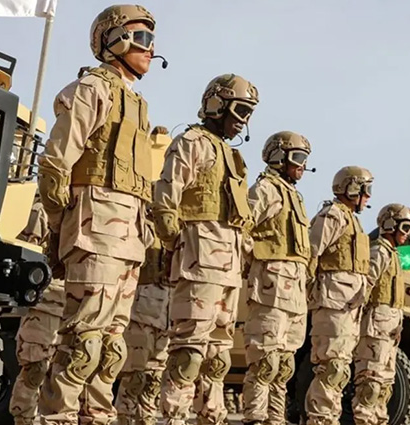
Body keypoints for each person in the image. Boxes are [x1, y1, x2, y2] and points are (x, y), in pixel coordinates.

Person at [35, 5, 159, 425]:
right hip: (96, 233)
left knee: (110, 350)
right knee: (82, 345)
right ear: (113, 40)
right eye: (142, 38)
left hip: (127, 241)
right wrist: (62, 228)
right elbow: (56, 166)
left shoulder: (137, 103)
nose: (151, 48)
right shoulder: (92, 89)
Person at [153, 74, 259, 425]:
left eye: (249, 113)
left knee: (217, 359)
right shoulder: (191, 142)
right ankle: (173, 418)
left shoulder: (233, 156)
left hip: (228, 268)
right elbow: (166, 203)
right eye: (240, 109)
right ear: (217, 104)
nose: (244, 119)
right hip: (199, 263)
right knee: (188, 356)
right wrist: (179, 247)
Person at [242, 131, 312, 425]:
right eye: (297, 158)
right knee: (264, 362)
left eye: (305, 160)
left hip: (294, 295)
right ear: (278, 157)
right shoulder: (266, 190)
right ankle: (256, 417)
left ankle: (274, 418)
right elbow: (241, 228)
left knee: (283, 366)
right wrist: (256, 261)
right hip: (270, 290)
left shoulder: (294, 196)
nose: (302, 166)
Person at [306, 166, 374, 425]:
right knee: (331, 369)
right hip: (332, 305)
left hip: (348, 308)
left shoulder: (352, 220)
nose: (368, 196)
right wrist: (308, 294)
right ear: (352, 188)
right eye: (366, 189)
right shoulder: (333, 216)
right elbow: (311, 253)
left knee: (340, 370)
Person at [114, 126, 174, 425]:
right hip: (142, 306)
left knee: (153, 379)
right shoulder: (140, 223)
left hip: (166, 309)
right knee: (134, 376)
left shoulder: (174, 230)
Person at [352, 204, 410, 425]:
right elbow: (365, 285)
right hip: (375, 328)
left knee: (385, 386)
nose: (407, 234)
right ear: (390, 225)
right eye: (404, 227)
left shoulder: (393, 255)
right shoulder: (379, 251)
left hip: (389, 330)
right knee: (370, 383)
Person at [9, 197, 66, 425]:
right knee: (35, 371)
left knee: (64, 379)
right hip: (44, 307)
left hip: (73, 308)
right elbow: (25, 257)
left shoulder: (83, 212)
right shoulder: (41, 211)